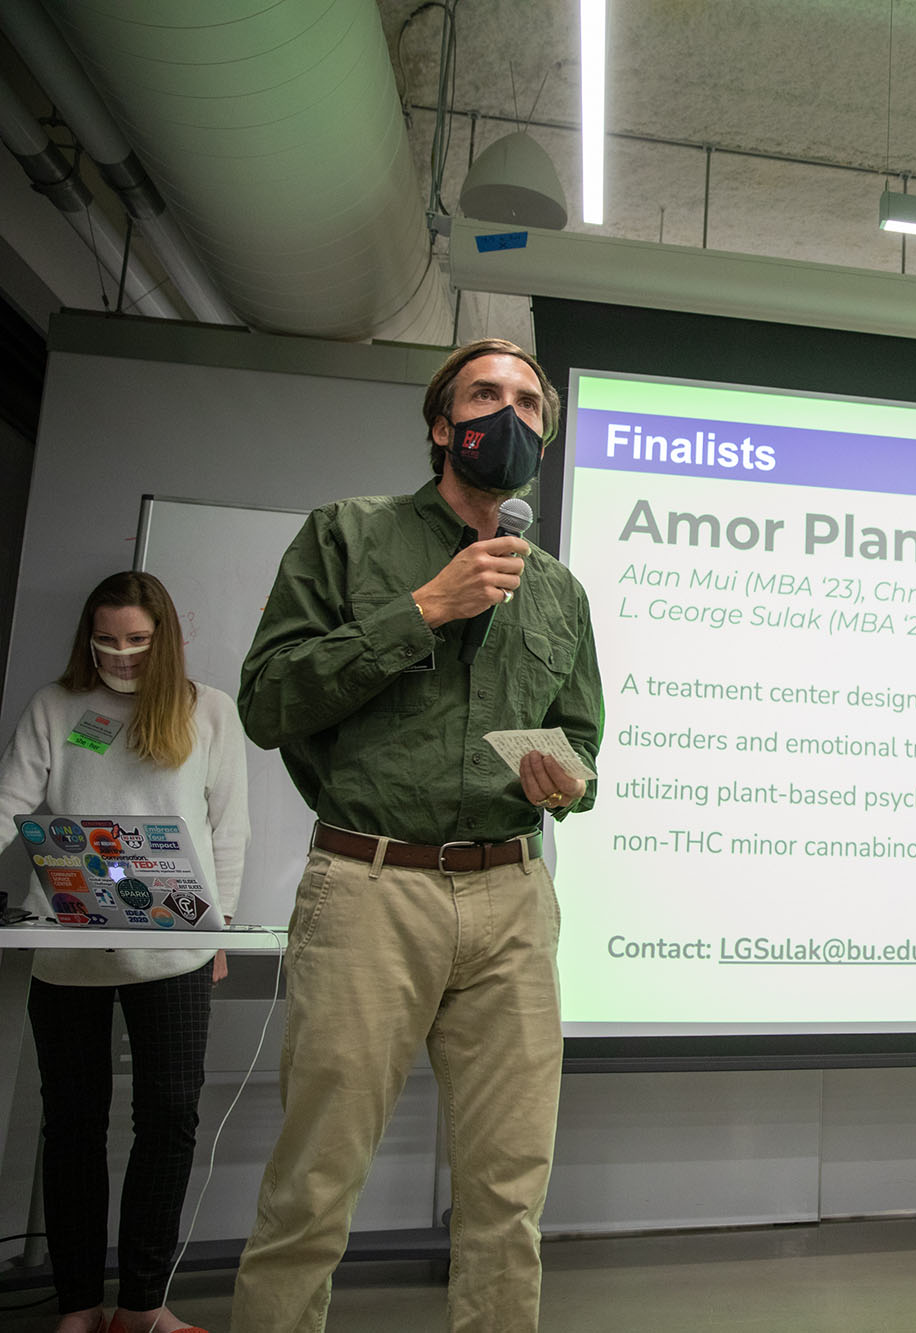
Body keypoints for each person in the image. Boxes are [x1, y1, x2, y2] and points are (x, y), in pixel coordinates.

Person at [229, 338, 604, 1331]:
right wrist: (423, 610)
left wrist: (567, 778)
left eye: (530, 404)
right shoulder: (347, 536)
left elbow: (583, 744)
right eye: (487, 394)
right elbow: (268, 702)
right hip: (369, 885)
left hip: (511, 895)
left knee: (508, 1194)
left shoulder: (559, 591)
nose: (511, 415)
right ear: (443, 424)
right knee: (314, 1182)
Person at [0, 572, 249, 1333]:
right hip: (68, 946)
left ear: (164, 637)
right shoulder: (55, 706)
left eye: (137, 641)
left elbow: (228, 825)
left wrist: (222, 926)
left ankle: (143, 1306)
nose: (120, 655)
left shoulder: (208, 710)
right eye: (106, 640)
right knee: (72, 1122)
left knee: (169, 1118)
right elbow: (10, 801)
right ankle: (78, 1305)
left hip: (174, 951)